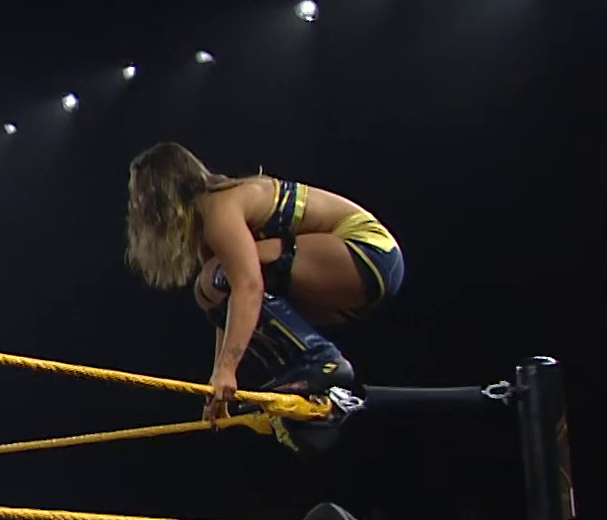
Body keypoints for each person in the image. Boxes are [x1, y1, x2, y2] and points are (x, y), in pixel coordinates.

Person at [124, 142, 406, 421]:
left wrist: (228, 370)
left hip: (369, 252)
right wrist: (217, 382)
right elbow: (226, 307)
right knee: (210, 287)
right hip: (355, 276)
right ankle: (303, 372)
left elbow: (249, 286)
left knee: (220, 278)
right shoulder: (210, 224)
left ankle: (321, 359)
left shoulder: (220, 207)